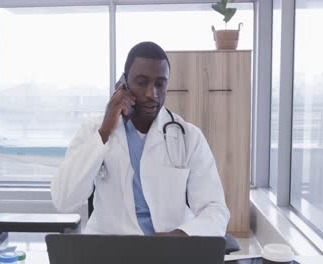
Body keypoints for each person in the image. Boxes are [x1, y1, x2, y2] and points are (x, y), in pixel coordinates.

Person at [51, 41, 229, 236]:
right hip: (109, 249)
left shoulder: (188, 137)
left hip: (168, 253)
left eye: (160, 84)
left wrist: (180, 236)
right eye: (142, 82)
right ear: (124, 83)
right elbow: (63, 200)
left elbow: (215, 209)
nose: (151, 94)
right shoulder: (94, 131)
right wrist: (104, 133)